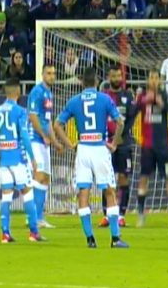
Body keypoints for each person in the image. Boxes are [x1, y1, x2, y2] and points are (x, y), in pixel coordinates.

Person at [54, 67, 128, 249]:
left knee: (83, 193)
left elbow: (57, 124)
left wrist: (70, 144)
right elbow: (120, 122)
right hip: (100, 149)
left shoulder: (74, 101)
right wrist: (114, 143)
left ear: (82, 83)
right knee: (109, 191)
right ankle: (115, 238)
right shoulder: (105, 99)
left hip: (83, 150)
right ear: (96, 82)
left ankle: (90, 239)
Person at [0, 78, 45, 243]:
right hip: (18, 159)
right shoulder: (20, 111)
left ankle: (5, 233)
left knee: (6, 196)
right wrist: (33, 158)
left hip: (3, 162)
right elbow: (24, 136)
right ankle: (34, 232)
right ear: (18, 91)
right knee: (28, 193)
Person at [135, 69, 168, 228]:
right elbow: (133, 111)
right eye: (151, 78)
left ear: (159, 80)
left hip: (163, 147)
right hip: (147, 147)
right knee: (144, 178)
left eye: (156, 78)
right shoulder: (142, 96)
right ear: (147, 80)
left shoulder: (164, 95)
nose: (154, 80)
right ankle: (141, 214)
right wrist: (143, 101)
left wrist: (162, 104)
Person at [99, 65, 136, 228]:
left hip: (124, 143)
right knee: (106, 179)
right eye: (113, 76)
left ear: (122, 77)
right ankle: (107, 214)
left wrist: (121, 135)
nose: (116, 79)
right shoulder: (104, 97)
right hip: (107, 144)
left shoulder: (128, 96)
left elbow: (131, 119)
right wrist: (108, 138)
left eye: (118, 76)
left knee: (123, 178)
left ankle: (121, 215)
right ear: (109, 77)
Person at [27, 64, 62, 229]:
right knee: (39, 176)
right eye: (48, 73)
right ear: (42, 74)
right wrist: (43, 135)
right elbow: (33, 116)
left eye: (54, 73)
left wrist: (55, 142)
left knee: (46, 178)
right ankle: (33, 217)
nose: (52, 76)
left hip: (44, 141)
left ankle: (38, 217)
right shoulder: (37, 92)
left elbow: (47, 121)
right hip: (35, 139)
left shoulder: (49, 94)